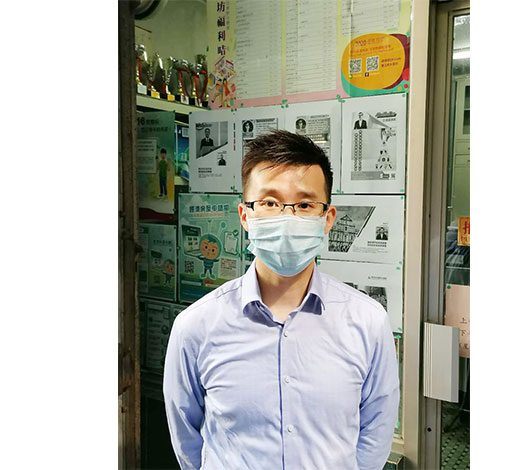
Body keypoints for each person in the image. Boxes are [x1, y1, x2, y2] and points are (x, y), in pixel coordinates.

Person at [164, 130, 399, 470]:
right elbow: (187, 440)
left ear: (327, 218)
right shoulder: (195, 326)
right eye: (270, 203)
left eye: (305, 205)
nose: (287, 218)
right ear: (245, 216)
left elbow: (376, 432)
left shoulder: (368, 321)